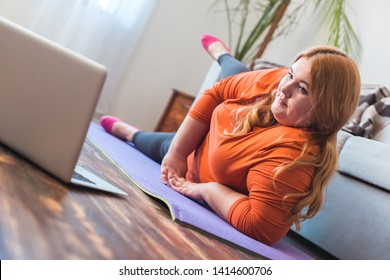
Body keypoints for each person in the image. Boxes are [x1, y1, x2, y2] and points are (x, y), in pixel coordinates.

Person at [100, 35, 361, 245]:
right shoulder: (277, 82)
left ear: (324, 111)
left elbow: (261, 227)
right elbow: (217, 91)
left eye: (302, 89)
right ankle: (222, 55)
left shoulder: (295, 152)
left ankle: (130, 132)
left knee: (148, 142)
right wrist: (178, 153)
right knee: (232, 72)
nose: (285, 88)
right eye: (291, 74)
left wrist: (208, 190)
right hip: (222, 127)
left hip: (211, 159)